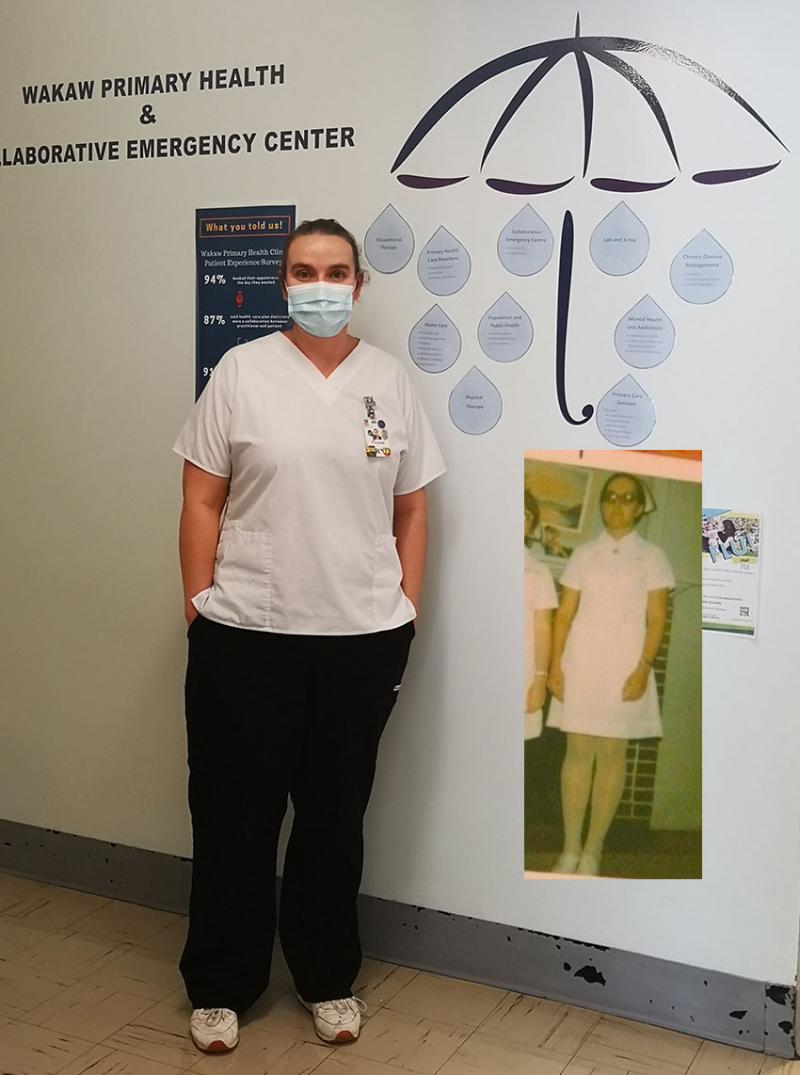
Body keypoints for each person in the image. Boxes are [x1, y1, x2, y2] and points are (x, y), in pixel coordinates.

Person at [173, 219, 445, 1053]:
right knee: (235, 818)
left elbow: (411, 509)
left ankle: (327, 976)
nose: (319, 284)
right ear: (282, 282)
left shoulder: (390, 382)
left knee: (334, 818)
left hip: (359, 639)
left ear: (358, 284)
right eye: (302, 270)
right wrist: (199, 605)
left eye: (334, 271)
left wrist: (404, 611)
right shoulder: (241, 372)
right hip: (247, 634)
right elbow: (201, 499)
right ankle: (221, 984)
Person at [546, 472, 674, 877]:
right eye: (610, 496)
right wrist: (554, 665)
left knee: (612, 758)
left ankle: (593, 852)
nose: (617, 503)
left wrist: (643, 669)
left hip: (625, 669)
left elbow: (657, 620)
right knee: (578, 756)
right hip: (582, 665)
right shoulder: (584, 554)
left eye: (627, 497)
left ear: (640, 507)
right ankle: (570, 849)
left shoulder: (653, 557)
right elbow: (564, 615)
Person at [524, 492, 557, 740]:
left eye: (524, 515)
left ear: (531, 524)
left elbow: (544, 629)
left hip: (522, 672)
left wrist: (539, 679)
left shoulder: (539, 572)